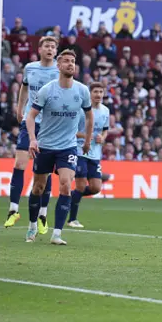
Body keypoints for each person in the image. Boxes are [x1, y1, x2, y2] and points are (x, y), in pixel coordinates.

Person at [25, 50, 93, 245]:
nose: (70, 64)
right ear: (58, 65)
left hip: (68, 147)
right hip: (45, 146)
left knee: (65, 185)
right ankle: (31, 226)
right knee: (38, 187)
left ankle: (57, 233)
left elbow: (89, 116)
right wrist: (32, 139)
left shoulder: (82, 91)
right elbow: (30, 116)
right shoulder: (47, 90)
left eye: (73, 61)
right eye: (66, 62)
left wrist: (87, 141)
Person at [4, 36, 60, 233]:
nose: (50, 49)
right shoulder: (30, 68)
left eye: (53, 47)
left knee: (44, 171)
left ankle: (43, 214)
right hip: (30, 122)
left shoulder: (59, 71)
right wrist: (20, 109)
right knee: (19, 163)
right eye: (47, 46)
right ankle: (13, 210)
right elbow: (24, 88)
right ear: (40, 49)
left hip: (50, 126)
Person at [68, 82, 110, 228]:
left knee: (95, 188)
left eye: (101, 92)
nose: (98, 95)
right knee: (80, 186)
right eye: (95, 92)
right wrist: (85, 135)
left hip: (95, 154)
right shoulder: (81, 110)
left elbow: (105, 130)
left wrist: (103, 138)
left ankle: (70, 198)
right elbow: (70, 130)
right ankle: (72, 219)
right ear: (89, 94)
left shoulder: (105, 111)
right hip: (79, 151)